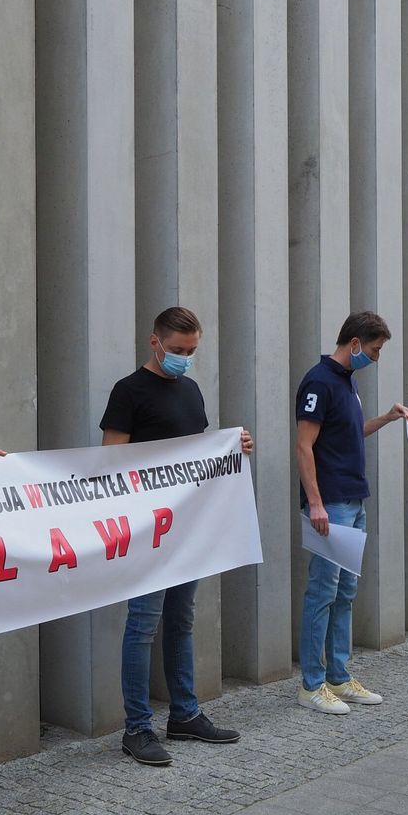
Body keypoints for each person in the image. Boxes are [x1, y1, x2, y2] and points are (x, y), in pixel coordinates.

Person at [101, 306, 252, 767]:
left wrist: (235, 449)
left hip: (186, 530)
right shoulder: (128, 391)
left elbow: (200, 453)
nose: (185, 358)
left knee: (182, 619)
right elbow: (110, 461)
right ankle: (137, 728)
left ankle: (184, 714)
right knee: (143, 623)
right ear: (155, 342)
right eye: (179, 350)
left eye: (192, 351)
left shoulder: (190, 389)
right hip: (148, 530)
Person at [295, 311, 408, 714]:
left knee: (345, 592)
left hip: (353, 501)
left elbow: (348, 432)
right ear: (355, 343)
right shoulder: (319, 381)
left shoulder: (347, 382)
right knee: (323, 591)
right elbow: (304, 445)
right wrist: (315, 503)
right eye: (375, 350)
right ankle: (311, 684)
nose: (377, 358)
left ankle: (339, 678)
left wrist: (386, 419)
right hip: (331, 505)